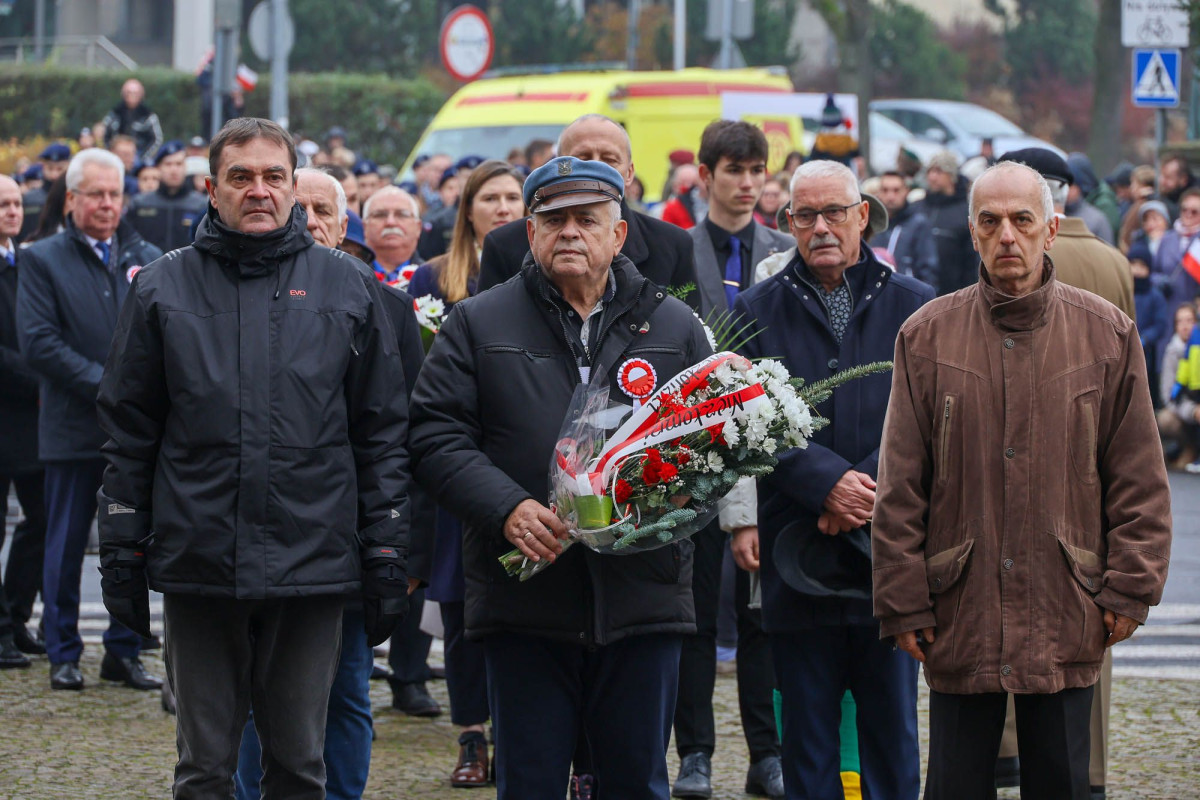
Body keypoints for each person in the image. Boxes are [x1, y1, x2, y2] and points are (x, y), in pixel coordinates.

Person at [94, 118, 412, 797]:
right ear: (212, 189)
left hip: (311, 565)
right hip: (199, 562)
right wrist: (121, 544)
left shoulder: (347, 289)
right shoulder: (159, 288)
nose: (258, 190)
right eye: (241, 177)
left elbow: (381, 431)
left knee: (299, 766)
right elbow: (129, 431)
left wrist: (387, 546)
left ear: (296, 189)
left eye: (274, 177)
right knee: (203, 770)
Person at [409, 156, 711, 799]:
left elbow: (711, 440)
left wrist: (673, 496)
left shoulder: (675, 326)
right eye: (553, 219)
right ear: (530, 231)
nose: (570, 231)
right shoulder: (477, 323)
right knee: (531, 784)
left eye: (587, 219)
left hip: (642, 597)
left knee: (636, 784)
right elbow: (433, 436)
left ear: (619, 233)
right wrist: (508, 507)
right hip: (526, 600)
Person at [873, 161, 1173, 800]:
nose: (1007, 235)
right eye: (991, 222)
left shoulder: (1106, 334)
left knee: (1063, 783)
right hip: (960, 608)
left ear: (1051, 229)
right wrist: (902, 598)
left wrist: (1130, 588)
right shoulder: (926, 336)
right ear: (974, 234)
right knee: (954, 785)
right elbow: (901, 483)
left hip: (1068, 601)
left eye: (1021, 220)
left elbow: (1138, 477)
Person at [729, 159, 931, 799]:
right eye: (805, 215)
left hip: (890, 552)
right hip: (799, 554)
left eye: (835, 212)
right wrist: (823, 484)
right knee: (808, 742)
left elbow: (929, 416)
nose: (821, 227)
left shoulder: (917, 305)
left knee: (892, 734)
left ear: (863, 215)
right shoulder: (754, 309)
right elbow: (740, 419)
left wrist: (862, 489)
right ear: (787, 222)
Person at [232, 166, 428, 800]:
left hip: (346, 538)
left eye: (324, 210)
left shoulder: (388, 307)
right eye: (302, 207)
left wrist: (402, 546)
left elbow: (408, 435)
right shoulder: (245, 298)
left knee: (344, 691)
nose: (310, 221)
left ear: (344, 227)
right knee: (252, 693)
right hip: (255, 534)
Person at [993, 148, 1137, 799]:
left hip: (1011, 466)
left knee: (1004, 617)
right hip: (1088, 475)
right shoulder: (1111, 263)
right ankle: (1090, 774)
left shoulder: (998, 260)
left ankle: (1006, 752)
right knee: (1083, 644)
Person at [15, 148, 162, 692]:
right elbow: (39, 344)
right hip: (74, 428)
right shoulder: (42, 258)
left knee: (132, 544)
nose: (107, 204)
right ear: (72, 198)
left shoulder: (147, 255)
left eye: (115, 194)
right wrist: (110, 386)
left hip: (134, 434)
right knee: (66, 541)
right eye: (96, 194)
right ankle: (63, 650)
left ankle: (123, 651)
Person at [407, 159, 526, 787]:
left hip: (514, 461)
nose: (503, 208)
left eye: (514, 197)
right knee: (457, 611)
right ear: (469, 210)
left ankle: (515, 730)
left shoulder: (537, 279)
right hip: (457, 468)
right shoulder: (434, 280)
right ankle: (471, 735)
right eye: (491, 198)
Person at [478, 114, 699, 308]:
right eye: (582, 159)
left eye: (609, 160)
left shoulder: (671, 244)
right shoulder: (505, 246)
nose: (596, 170)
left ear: (630, 173)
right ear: (558, 166)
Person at [0, 174, 47, 666]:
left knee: (43, 518)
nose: (13, 211)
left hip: (31, 419)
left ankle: (16, 616)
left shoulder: (26, 260)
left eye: (16, 203)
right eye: (3, 205)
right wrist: (38, 373)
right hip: (10, 405)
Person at [125, 140, 207, 253]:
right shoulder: (140, 204)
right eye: (168, 164)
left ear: (185, 167)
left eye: (179, 164)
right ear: (158, 168)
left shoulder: (200, 206)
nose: (174, 170)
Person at [918, 150, 976, 295]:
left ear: (951, 176)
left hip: (954, 294)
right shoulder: (917, 208)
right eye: (930, 171)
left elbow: (973, 262)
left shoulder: (966, 211)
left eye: (938, 171)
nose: (932, 177)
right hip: (920, 293)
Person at [869, 170, 938, 289]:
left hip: (908, 296)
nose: (891, 196)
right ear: (878, 192)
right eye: (885, 190)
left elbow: (927, 269)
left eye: (896, 190)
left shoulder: (918, 224)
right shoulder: (870, 225)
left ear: (906, 191)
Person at [1159, 303, 1200, 466]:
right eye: (1180, 322)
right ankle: (1189, 447)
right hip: (1187, 412)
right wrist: (1193, 411)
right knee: (1165, 419)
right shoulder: (1171, 352)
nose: (1185, 326)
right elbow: (1168, 396)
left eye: (1189, 320)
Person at [1153, 187, 1200, 321]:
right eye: (1184, 209)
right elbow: (1152, 273)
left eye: (1194, 211)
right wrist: (1160, 281)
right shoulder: (1167, 239)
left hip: (1194, 317)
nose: (1188, 214)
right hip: (1167, 313)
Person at [364, 185, 424, 289]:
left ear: (418, 227)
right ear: (365, 227)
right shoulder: (350, 277)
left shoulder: (435, 279)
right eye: (380, 215)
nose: (390, 222)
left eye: (401, 215)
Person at [18, 143, 70, 243]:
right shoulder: (29, 200)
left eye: (60, 169)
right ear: (43, 167)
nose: (54, 175)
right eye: (50, 168)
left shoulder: (74, 198)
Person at [102, 78, 163, 162]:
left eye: (135, 93)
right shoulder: (114, 113)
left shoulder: (149, 116)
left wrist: (143, 157)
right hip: (115, 156)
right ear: (123, 94)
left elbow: (157, 139)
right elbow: (104, 134)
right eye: (128, 92)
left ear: (141, 95)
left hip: (139, 155)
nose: (131, 95)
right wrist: (110, 153)